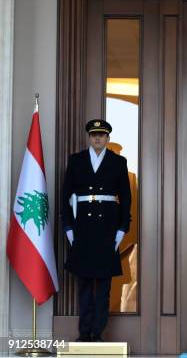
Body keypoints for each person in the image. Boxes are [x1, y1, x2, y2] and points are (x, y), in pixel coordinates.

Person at [61, 119, 131, 342]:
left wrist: (122, 228)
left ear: (108, 138)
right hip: (82, 229)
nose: (98, 138)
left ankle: (98, 334)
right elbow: (65, 197)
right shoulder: (76, 160)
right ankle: (83, 334)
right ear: (89, 137)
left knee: (102, 286)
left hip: (107, 230)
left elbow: (126, 199)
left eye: (101, 135)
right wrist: (69, 228)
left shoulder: (118, 162)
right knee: (83, 285)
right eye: (94, 135)